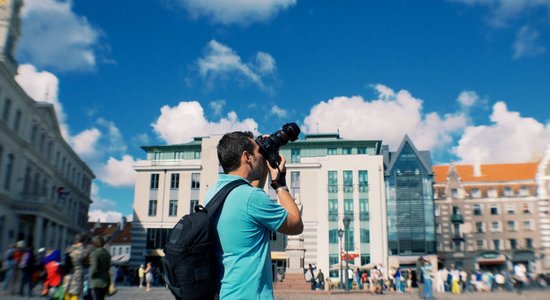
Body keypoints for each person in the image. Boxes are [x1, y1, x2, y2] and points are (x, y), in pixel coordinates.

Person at [204, 131, 303, 299]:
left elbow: (249, 203)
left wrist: (263, 166)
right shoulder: (251, 198)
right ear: (247, 157)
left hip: (226, 293)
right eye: (258, 152)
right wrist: (280, 184)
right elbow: (296, 225)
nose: (261, 156)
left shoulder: (213, 192)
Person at [64, 233, 91, 300]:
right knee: (74, 294)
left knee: (67, 293)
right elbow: (87, 264)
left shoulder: (68, 249)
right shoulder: (85, 251)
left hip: (68, 274)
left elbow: (65, 261)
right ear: (83, 241)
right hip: (78, 275)